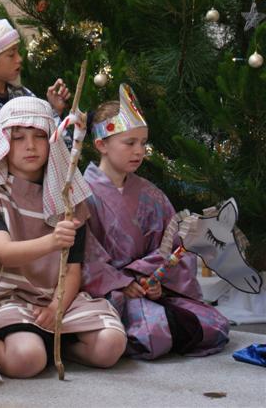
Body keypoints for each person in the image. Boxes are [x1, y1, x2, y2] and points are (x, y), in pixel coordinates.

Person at [0, 96, 127, 378]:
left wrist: (56, 307)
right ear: (3, 143)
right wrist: (53, 241)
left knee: (110, 345)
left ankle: (57, 347)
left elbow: (72, 269)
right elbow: (4, 252)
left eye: (39, 136)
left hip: (57, 296)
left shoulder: (70, 196)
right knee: (27, 359)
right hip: (7, 298)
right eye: (18, 138)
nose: (30, 146)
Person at [82, 83, 230, 359]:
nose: (139, 151)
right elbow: (84, 258)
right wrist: (122, 283)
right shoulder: (82, 194)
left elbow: (172, 248)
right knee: (152, 334)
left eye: (143, 143)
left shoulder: (151, 195)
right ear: (101, 145)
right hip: (110, 292)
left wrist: (156, 280)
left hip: (149, 288)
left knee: (214, 326)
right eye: (130, 143)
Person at [0, 19, 70, 133]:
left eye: (18, 52)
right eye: (11, 55)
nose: (19, 59)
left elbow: (47, 138)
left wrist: (54, 111)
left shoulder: (23, 95)